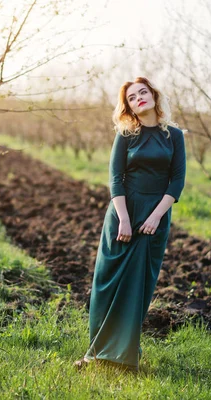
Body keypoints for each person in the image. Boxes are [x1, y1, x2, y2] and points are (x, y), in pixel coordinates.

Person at [73, 77, 186, 373]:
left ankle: (125, 356)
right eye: (133, 97)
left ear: (154, 95)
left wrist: (155, 216)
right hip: (123, 214)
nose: (139, 99)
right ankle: (94, 353)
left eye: (143, 93)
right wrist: (123, 218)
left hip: (154, 218)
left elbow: (176, 182)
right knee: (106, 283)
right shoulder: (126, 135)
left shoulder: (174, 136)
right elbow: (115, 179)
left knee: (138, 287)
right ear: (129, 107)